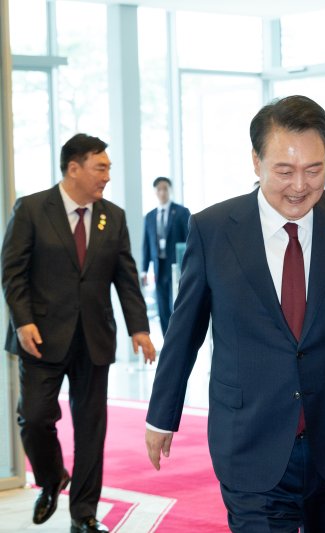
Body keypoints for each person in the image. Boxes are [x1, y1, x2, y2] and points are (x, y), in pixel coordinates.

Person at [144, 95, 325, 533]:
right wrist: (162, 413)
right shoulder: (214, 229)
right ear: (255, 161)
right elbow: (185, 330)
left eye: (314, 170)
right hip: (251, 439)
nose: (300, 185)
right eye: (284, 170)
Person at [1, 133, 156, 533]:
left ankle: (83, 514)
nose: (106, 176)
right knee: (34, 418)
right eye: (100, 167)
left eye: (108, 168)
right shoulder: (33, 209)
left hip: (94, 339)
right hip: (40, 337)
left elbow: (125, 279)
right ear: (74, 168)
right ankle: (52, 479)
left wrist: (138, 328)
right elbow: (12, 271)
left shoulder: (113, 216)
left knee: (91, 428)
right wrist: (23, 320)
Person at [141, 177, 190, 335]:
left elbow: (189, 240)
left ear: (170, 190)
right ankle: (166, 338)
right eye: (159, 189)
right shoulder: (149, 216)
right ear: (155, 192)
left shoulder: (181, 212)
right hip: (159, 268)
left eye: (165, 188)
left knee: (175, 304)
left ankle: (178, 338)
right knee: (162, 306)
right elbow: (147, 245)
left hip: (176, 267)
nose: (162, 192)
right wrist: (143, 270)